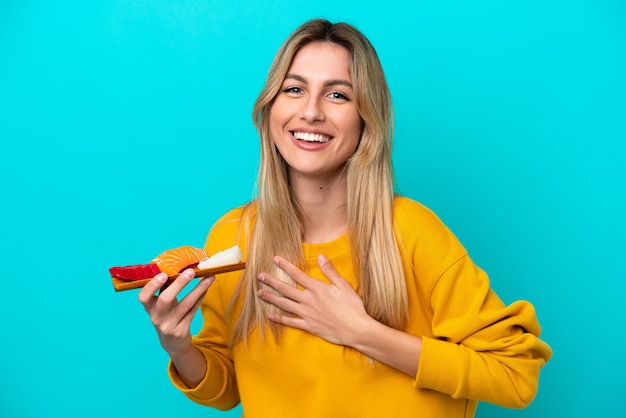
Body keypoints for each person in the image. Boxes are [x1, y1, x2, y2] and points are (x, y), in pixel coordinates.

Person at [138, 18, 552, 418]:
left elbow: (516, 375)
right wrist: (180, 347)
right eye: (295, 89)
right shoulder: (234, 237)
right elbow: (229, 390)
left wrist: (363, 333)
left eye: (338, 95)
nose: (311, 112)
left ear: (366, 119)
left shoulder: (412, 232)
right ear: (271, 109)